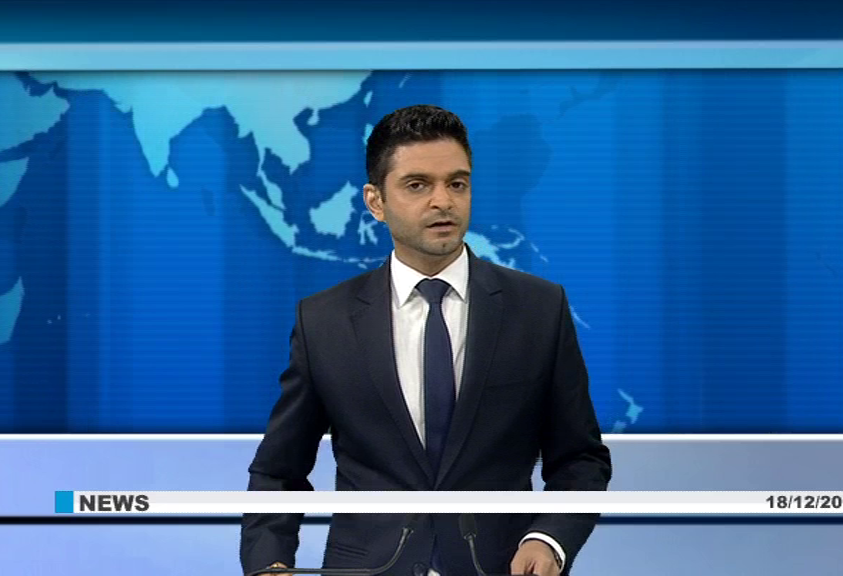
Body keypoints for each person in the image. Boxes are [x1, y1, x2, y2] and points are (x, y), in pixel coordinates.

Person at [240, 104, 612, 576]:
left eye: (457, 183)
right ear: (376, 202)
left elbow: (581, 457)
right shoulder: (324, 321)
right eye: (417, 185)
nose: (443, 201)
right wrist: (269, 564)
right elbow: (279, 470)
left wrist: (548, 539)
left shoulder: (538, 309)